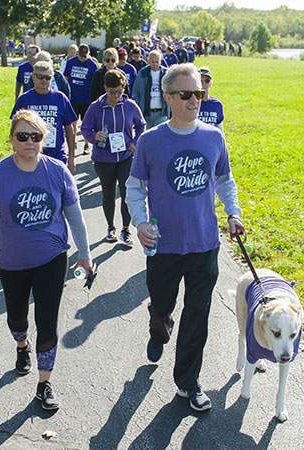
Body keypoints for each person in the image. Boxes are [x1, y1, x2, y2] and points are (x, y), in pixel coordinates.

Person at [125, 63, 245, 412]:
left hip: (204, 245)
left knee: (197, 315)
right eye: (187, 94)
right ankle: (158, 322)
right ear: (168, 98)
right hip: (163, 246)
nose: (195, 100)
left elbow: (224, 179)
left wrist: (233, 212)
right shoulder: (150, 141)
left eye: (199, 93)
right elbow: (135, 186)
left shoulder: (213, 137)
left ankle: (187, 382)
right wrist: (141, 222)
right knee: (163, 304)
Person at [0, 109, 93, 411]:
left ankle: (44, 382)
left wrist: (85, 255)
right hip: (11, 262)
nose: (29, 142)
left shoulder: (57, 170)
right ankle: (21, 345)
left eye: (35, 136)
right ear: (11, 139)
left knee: (47, 320)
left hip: (52, 257)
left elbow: (74, 216)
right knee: (16, 318)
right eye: (22, 136)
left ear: (44, 139)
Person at [81, 69, 146, 247]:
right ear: (105, 88)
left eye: (119, 91)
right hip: (103, 159)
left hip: (126, 157)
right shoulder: (95, 107)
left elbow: (141, 126)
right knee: (108, 194)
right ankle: (111, 227)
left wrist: (135, 142)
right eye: (112, 92)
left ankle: (126, 229)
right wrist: (95, 137)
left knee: (126, 194)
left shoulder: (131, 105)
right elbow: (85, 128)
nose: (116, 95)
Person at [12, 61, 78, 172]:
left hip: (56, 157)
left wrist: (71, 157)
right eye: (40, 77)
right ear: (33, 77)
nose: (44, 80)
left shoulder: (60, 98)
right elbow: (14, 130)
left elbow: (69, 129)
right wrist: (16, 155)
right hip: (30, 156)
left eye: (48, 77)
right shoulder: (24, 99)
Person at [63, 44, 100, 156]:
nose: (83, 58)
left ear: (88, 54)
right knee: (73, 123)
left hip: (87, 99)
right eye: (81, 55)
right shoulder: (71, 62)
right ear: (77, 53)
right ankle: (73, 142)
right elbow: (66, 77)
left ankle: (86, 144)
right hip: (73, 97)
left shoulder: (92, 65)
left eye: (85, 56)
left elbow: (96, 82)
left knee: (85, 124)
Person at [131, 50, 169, 129]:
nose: (155, 64)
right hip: (146, 113)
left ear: (160, 61)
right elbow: (136, 92)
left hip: (161, 113)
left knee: (161, 138)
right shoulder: (142, 73)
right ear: (148, 61)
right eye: (152, 61)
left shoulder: (166, 73)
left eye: (157, 62)